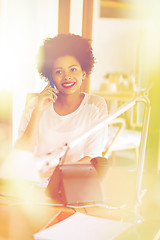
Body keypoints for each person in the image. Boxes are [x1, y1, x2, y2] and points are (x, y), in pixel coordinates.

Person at [14, 33, 108, 174]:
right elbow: (22, 154)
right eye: (59, 71)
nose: (67, 76)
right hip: (37, 184)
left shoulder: (95, 106)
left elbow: (92, 156)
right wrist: (37, 113)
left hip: (75, 183)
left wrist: (57, 176)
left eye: (73, 69)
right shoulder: (35, 105)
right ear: (50, 77)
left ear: (83, 72)